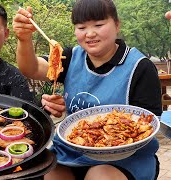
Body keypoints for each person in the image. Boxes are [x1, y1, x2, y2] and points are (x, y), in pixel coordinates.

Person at [13, 0, 161, 179]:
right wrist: (24, 38)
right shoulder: (71, 57)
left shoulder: (140, 67)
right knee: (50, 172)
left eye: (99, 25)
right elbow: (32, 68)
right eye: (81, 27)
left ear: (117, 24)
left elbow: (148, 124)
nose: (90, 33)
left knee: (99, 175)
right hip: (72, 151)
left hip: (126, 156)